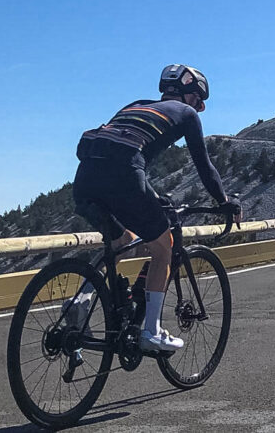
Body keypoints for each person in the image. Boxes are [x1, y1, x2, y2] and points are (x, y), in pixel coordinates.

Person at [71, 64, 233, 351]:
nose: (201, 107)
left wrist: (152, 195)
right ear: (188, 94)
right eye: (199, 100)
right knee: (164, 246)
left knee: (121, 239)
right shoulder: (186, 114)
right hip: (124, 176)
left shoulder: (136, 105)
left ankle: (80, 300)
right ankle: (152, 332)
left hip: (84, 179)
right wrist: (224, 202)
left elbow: (118, 153)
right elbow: (204, 167)